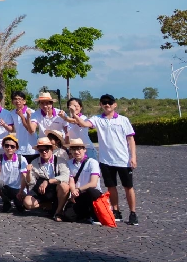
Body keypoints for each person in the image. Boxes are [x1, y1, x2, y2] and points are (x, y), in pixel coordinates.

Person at [75, 93, 138, 225]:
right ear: (100, 105)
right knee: (111, 187)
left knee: (128, 187)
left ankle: (133, 213)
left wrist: (133, 157)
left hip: (123, 160)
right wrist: (74, 113)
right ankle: (116, 211)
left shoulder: (123, 120)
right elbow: (84, 124)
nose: (107, 105)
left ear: (115, 105)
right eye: (104, 102)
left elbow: (130, 139)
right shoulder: (97, 119)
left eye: (109, 102)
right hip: (106, 160)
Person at [24, 136, 70, 221]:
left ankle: (59, 211)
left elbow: (65, 176)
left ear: (51, 149)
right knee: (27, 203)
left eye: (46, 149)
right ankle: (47, 205)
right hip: (41, 189)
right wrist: (28, 173)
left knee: (64, 186)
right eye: (41, 150)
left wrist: (48, 181)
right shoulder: (34, 162)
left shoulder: (60, 161)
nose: (44, 152)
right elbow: (31, 182)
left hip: (55, 187)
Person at [66, 138, 102, 224]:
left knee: (91, 191)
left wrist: (78, 189)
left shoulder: (92, 162)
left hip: (92, 193)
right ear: (70, 151)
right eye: (73, 149)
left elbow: (93, 183)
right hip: (79, 194)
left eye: (79, 149)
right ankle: (85, 214)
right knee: (68, 216)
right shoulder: (69, 163)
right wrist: (73, 191)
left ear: (84, 149)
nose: (76, 152)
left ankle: (95, 215)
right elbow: (71, 180)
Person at [0, 134, 28, 213]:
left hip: (18, 189)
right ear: (3, 146)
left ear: (16, 148)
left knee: (21, 208)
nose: (9, 148)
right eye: (7, 145)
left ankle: (18, 201)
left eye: (12, 146)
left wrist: (21, 191)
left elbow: (24, 177)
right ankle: (6, 201)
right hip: (5, 188)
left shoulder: (21, 159)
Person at [8, 91, 38, 162]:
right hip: (19, 149)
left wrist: (22, 116)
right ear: (12, 102)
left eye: (19, 99)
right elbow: (11, 129)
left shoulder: (31, 112)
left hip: (31, 149)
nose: (17, 101)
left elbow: (31, 131)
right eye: (15, 99)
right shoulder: (12, 113)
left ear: (24, 101)